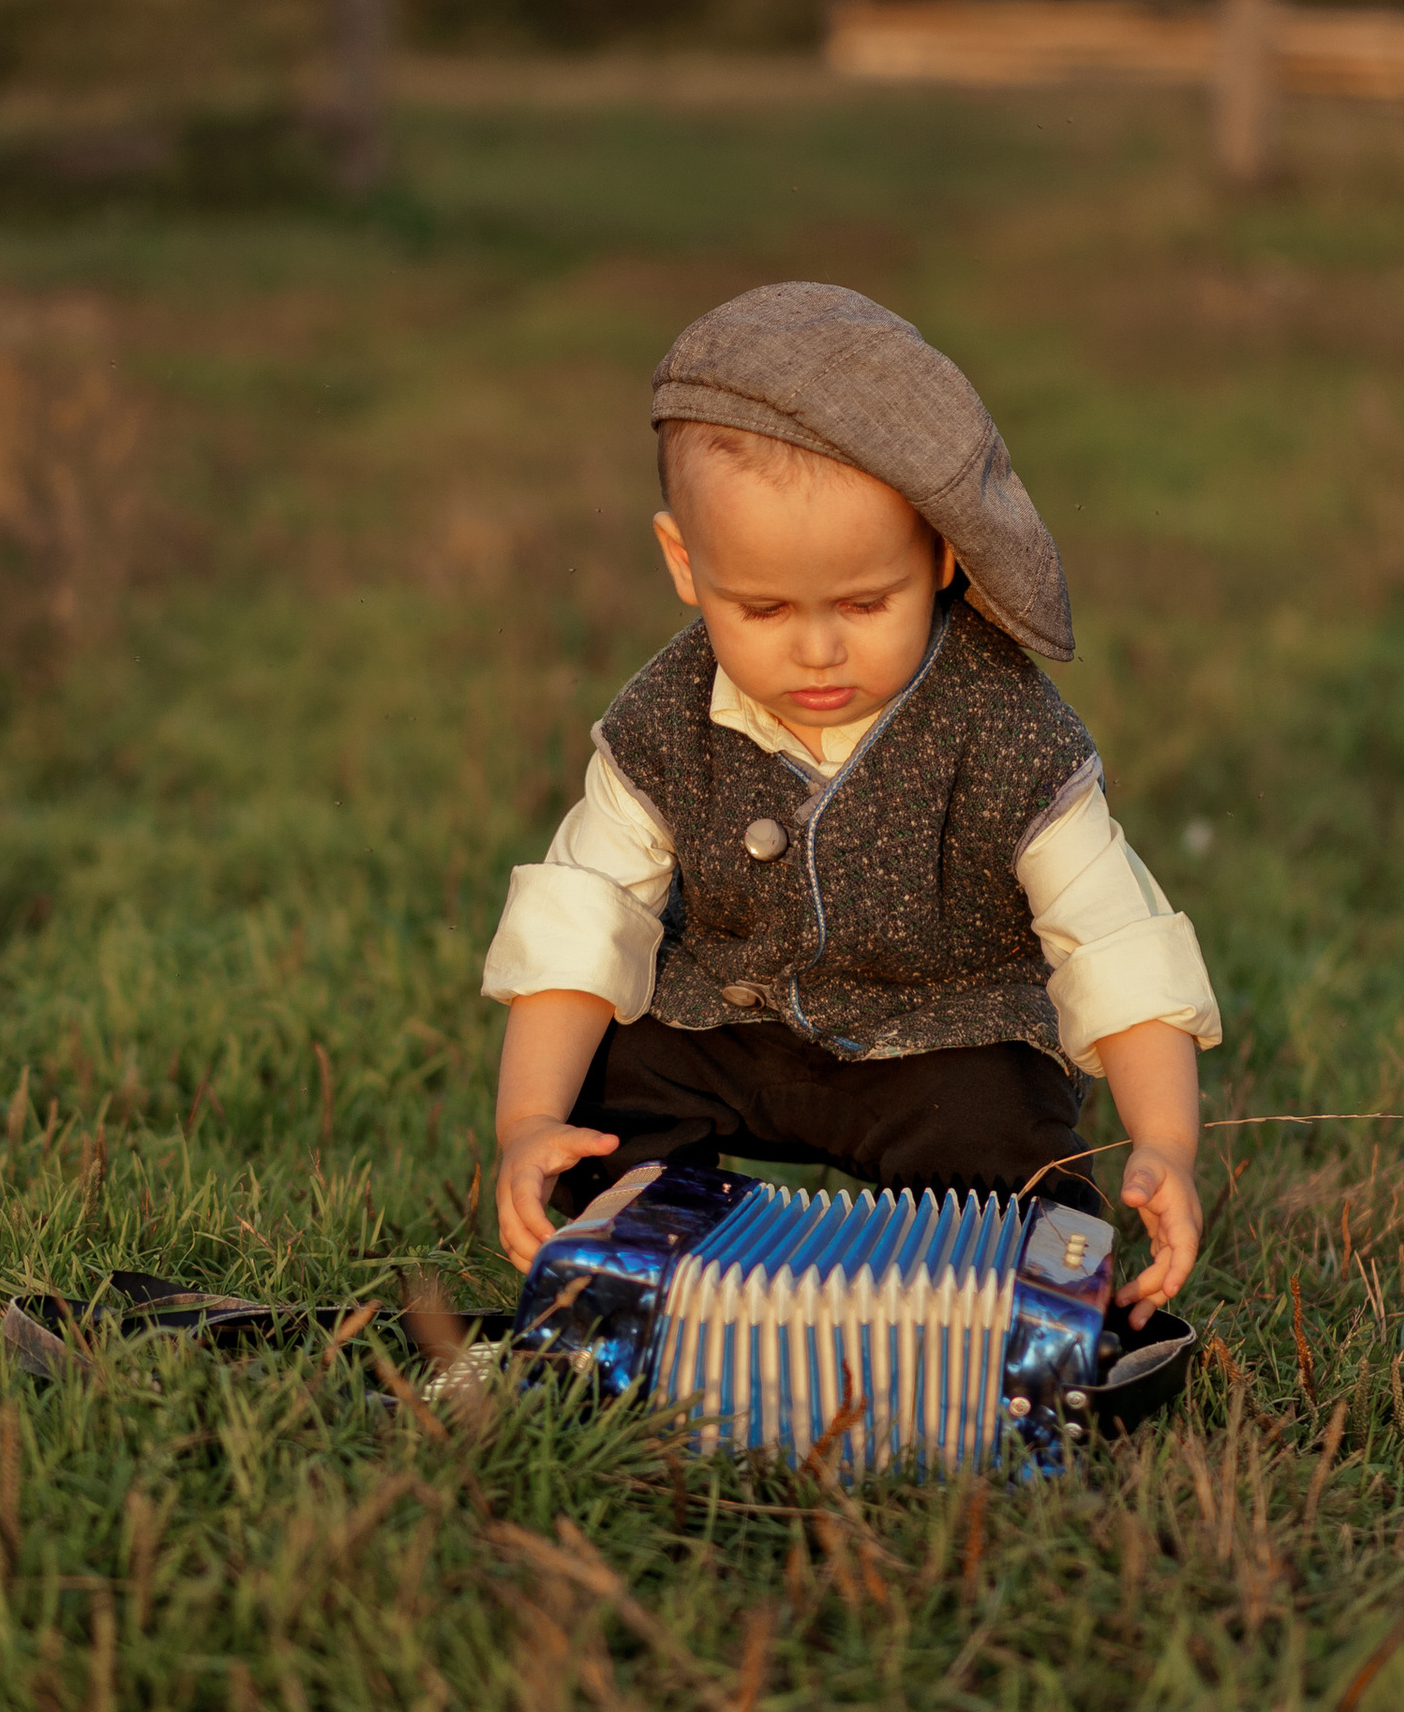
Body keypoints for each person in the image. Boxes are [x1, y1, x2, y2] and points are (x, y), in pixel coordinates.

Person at [483, 281, 1220, 1316]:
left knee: (1012, 1149)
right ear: (684, 564)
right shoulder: (664, 720)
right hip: (728, 1029)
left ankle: (993, 1308)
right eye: (764, 607)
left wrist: (1167, 1145)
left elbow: (1114, 943)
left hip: (937, 1044)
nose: (818, 648)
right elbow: (580, 917)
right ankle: (645, 1266)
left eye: (868, 603)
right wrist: (527, 1122)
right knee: (612, 1085)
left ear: (942, 555)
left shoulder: (1007, 729)